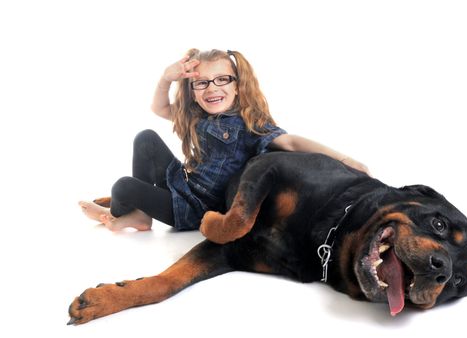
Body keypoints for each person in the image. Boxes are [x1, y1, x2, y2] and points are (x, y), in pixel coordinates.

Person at [79, 49, 369, 232]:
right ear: (193, 90)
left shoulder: (249, 125)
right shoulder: (199, 117)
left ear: (237, 85)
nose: (211, 88)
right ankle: (139, 215)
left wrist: (345, 160)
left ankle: (122, 215)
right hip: (184, 185)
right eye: (202, 83)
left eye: (222, 80)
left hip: (196, 210)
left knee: (123, 186)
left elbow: (291, 143)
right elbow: (160, 109)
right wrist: (166, 80)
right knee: (145, 139)